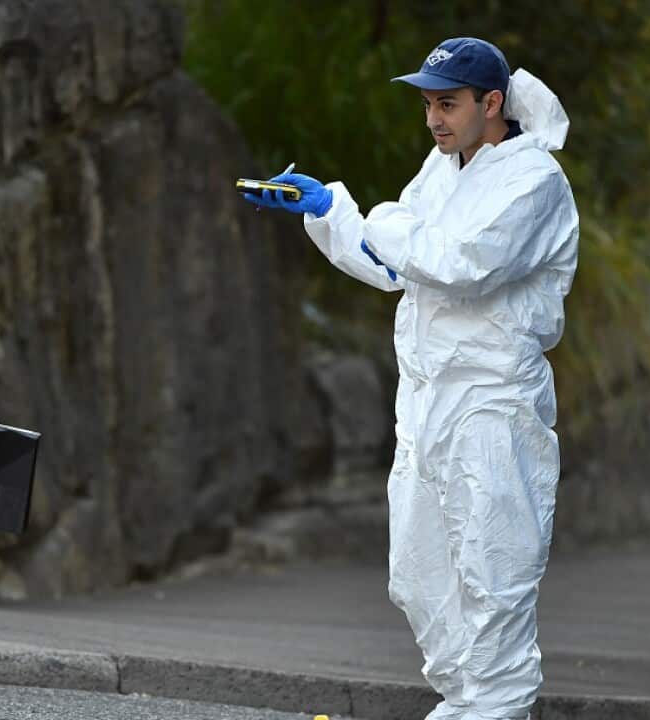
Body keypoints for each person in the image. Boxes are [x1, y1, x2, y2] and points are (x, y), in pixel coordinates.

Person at [243, 38, 579, 720]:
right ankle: (467, 705)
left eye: (447, 104)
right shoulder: (442, 168)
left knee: (494, 579)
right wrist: (329, 214)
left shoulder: (535, 182)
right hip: (428, 402)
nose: (434, 119)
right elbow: (401, 268)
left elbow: (460, 263)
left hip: (493, 402)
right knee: (418, 578)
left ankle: (494, 707)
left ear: (492, 103)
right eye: (428, 104)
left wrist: (385, 221)